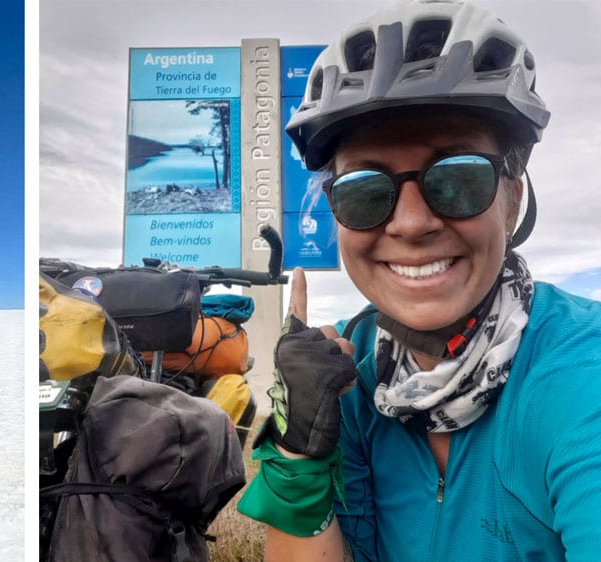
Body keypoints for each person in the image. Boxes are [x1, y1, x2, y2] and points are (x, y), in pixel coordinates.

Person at [237, 1, 601, 560]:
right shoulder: (346, 378)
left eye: (458, 178)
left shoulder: (580, 374)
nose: (410, 223)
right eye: (364, 189)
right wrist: (298, 452)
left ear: (513, 199)